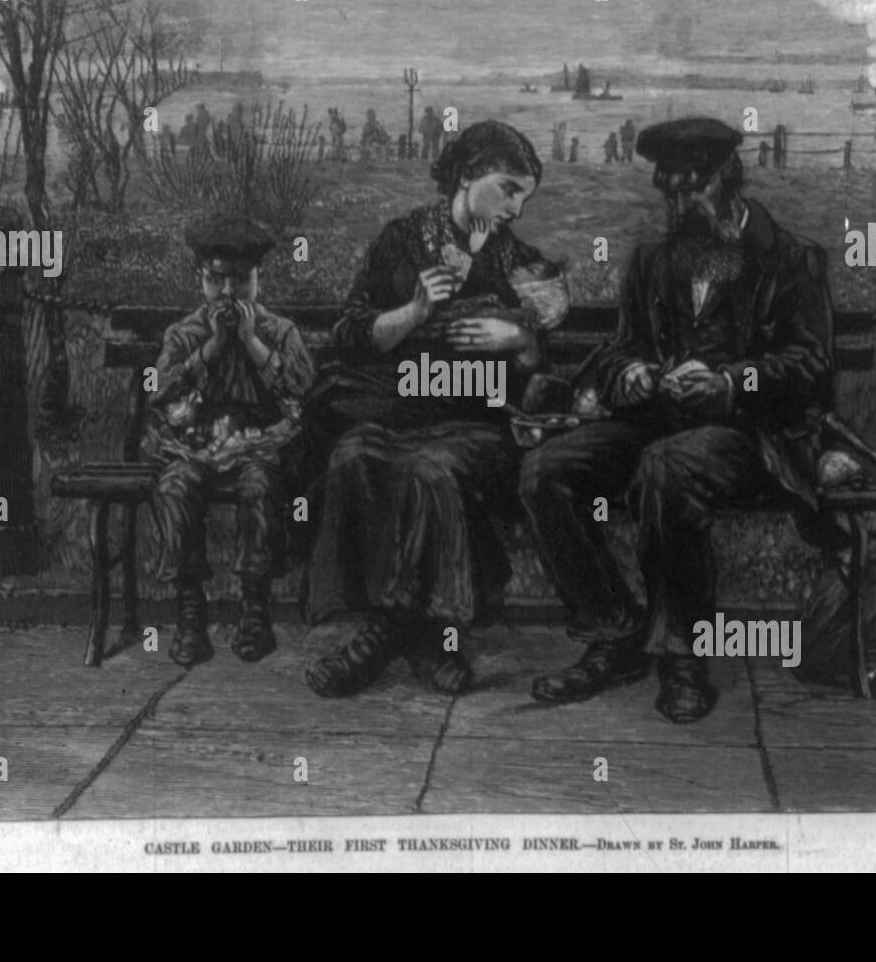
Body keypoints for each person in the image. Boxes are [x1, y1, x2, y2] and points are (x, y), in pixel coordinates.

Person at [518, 117, 835, 724]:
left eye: (694, 190)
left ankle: (683, 656)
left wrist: (731, 380)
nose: (682, 204)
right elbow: (619, 349)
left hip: (752, 434)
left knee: (665, 469)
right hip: (657, 422)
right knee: (544, 471)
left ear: (727, 179)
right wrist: (630, 373)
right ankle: (613, 632)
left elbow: (810, 365)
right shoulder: (654, 262)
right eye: (671, 192)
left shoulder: (791, 260)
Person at [301, 120, 556, 698]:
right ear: (467, 176)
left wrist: (518, 341)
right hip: (396, 412)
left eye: (524, 196)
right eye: (508, 188)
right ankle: (417, 634)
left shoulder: (518, 260)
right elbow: (349, 334)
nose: (516, 208)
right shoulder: (402, 242)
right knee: (353, 455)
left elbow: (543, 363)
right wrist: (413, 312)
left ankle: (394, 634)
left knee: (429, 470)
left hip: (478, 426)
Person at [143, 216, 316, 667]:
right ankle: (190, 613)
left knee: (260, 488)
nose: (227, 292)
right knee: (174, 487)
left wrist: (249, 341)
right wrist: (214, 348)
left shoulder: (279, 331)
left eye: (240, 280)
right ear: (201, 279)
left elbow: (300, 387)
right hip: (195, 444)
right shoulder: (184, 334)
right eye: (215, 280)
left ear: (258, 279)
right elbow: (160, 390)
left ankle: (255, 610)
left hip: (259, 445)